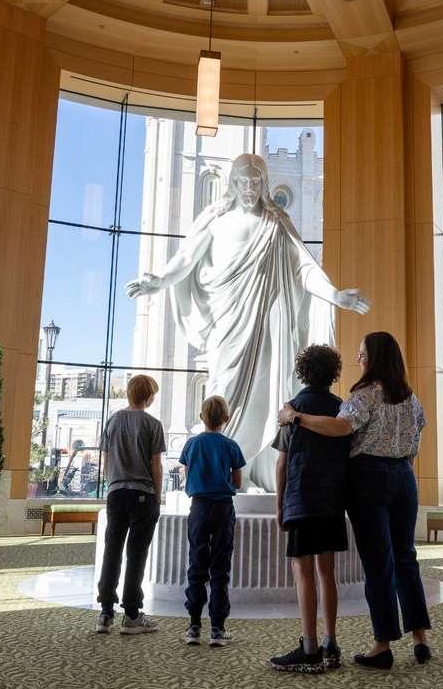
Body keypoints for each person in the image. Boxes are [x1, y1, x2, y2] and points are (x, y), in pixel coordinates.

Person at [125, 153, 369, 490]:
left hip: (268, 324)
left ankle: (255, 470)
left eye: (256, 182)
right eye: (243, 181)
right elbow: (185, 259)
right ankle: (223, 471)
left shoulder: (275, 223)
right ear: (232, 183)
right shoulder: (215, 220)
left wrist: (334, 295)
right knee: (223, 387)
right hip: (228, 322)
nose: (250, 188)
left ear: (264, 184)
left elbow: (303, 267)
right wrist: (159, 281)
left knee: (266, 393)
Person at [278, 332, 431, 670]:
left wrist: (296, 417)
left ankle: (382, 644)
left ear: (375, 357)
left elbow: (340, 428)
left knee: (379, 563)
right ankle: (420, 637)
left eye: (362, 353)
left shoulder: (365, 394)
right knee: (406, 557)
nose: (359, 359)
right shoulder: (410, 397)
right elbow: (416, 442)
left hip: (369, 478)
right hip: (405, 478)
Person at [269, 344, 349, 674]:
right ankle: (331, 642)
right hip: (331, 500)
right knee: (327, 572)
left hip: (301, 499)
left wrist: (279, 506)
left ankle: (309, 646)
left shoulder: (293, 409)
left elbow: (282, 463)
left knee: (303, 573)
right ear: (333, 373)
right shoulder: (341, 408)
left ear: (303, 371)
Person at [95, 374, 165, 635]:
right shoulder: (152, 424)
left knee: (111, 550)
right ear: (148, 397)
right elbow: (155, 466)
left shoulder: (112, 421)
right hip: (142, 494)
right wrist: (157, 498)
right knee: (136, 554)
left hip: (115, 492)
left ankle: (105, 613)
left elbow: (106, 461)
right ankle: (132, 614)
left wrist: (112, 484)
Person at [178, 395, 246, 647]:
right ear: (226, 419)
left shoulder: (191, 445)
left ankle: (193, 626)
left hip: (198, 507)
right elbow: (238, 483)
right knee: (220, 567)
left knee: (197, 565)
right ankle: (217, 629)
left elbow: (187, 477)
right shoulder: (231, 446)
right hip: (223, 508)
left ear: (201, 417)